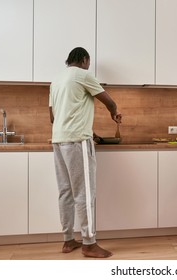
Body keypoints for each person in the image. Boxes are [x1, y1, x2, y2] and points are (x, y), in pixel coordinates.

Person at [49, 47, 122, 258]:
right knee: (84, 193)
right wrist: (114, 113)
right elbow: (109, 101)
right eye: (89, 62)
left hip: (58, 140)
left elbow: (53, 118)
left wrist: (87, 129)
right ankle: (89, 243)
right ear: (84, 59)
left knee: (65, 192)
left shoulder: (56, 81)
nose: (89, 66)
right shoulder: (83, 75)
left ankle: (68, 240)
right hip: (77, 142)